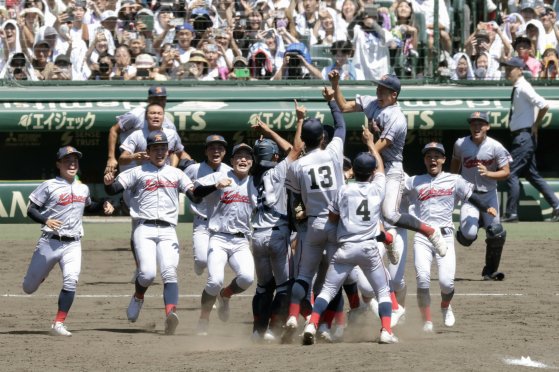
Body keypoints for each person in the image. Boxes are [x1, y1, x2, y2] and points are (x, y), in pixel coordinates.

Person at [330, 70, 450, 312]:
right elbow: (342, 106)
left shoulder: (397, 118)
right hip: (375, 168)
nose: (378, 91)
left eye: (383, 89)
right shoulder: (372, 103)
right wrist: (335, 82)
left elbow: (378, 148)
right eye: (378, 87)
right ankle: (387, 242)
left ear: (394, 95)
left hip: (392, 168)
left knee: (391, 214)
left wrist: (366, 142)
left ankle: (429, 231)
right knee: (369, 216)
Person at [303, 132, 399, 345]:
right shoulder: (377, 188)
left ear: (353, 171)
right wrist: (371, 145)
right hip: (368, 247)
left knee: (327, 290)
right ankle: (386, 331)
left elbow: (332, 216)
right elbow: (381, 169)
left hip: (345, 247)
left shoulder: (343, 190)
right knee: (382, 291)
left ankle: (312, 324)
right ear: (372, 172)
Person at [103, 131, 194, 335]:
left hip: (169, 229)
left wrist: (212, 187)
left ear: (169, 151)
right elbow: (114, 188)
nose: (160, 151)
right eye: (155, 148)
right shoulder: (138, 171)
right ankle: (138, 296)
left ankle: (170, 314)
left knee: (169, 271)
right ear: (148, 151)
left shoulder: (177, 173)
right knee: (147, 273)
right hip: (143, 227)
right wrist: (109, 183)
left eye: (163, 148)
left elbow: (194, 196)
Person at [404, 142, 497, 333]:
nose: (433, 159)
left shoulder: (454, 180)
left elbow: (471, 195)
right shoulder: (414, 181)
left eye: (437, 156)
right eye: (429, 156)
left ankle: (445, 305)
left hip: (445, 236)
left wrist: (486, 208)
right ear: (424, 160)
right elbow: (395, 192)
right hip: (423, 236)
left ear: (444, 160)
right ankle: (427, 321)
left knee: (447, 283)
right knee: (422, 279)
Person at [23, 146, 114, 336]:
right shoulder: (49, 185)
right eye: (67, 161)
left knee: (71, 281)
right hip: (50, 242)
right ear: (58, 164)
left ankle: (58, 323)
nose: (72, 164)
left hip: (73, 243)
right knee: (28, 288)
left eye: (75, 161)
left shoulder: (83, 187)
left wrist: (103, 203)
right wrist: (45, 220)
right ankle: (41, 273)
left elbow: (89, 207)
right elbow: (31, 209)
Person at [282, 86, 347, 342]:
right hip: (337, 224)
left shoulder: (296, 166)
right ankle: (321, 327)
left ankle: (292, 316)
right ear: (322, 138)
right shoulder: (332, 152)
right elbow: (341, 125)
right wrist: (331, 100)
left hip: (312, 225)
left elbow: (295, 199)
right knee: (334, 280)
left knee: (304, 277)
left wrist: (300, 222)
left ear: (303, 141)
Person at [249, 107, 304, 342]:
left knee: (262, 287)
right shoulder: (278, 171)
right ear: (273, 157)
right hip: (276, 233)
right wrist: (271, 130)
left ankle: (256, 331)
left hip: (256, 235)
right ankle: (272, 329)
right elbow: (296, 149)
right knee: (284, 286)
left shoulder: (249, 175)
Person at [192, 143, 258, 336]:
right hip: (218, 238)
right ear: (232, 161)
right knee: (214, 281)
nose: (243, 159)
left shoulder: (254, 182)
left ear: (252, 162)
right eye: (239, 156)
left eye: (247, 157)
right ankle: (203, 319)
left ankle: (225, 295)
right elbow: (196, 194)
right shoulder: (219, 177)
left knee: (246, 279)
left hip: (241, 240)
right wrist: (215, 186)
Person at [451, 112, 511, 281]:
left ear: (487, 127)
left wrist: (489, 173)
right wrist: (450, 187)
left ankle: (490, 271)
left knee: (496, 233)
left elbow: (506, 172)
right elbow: (454, 168)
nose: (477, 127)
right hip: (469, 195)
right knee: (468, 236)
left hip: (489, 195)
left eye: (480, 124)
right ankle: (468, 229)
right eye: (473, 124)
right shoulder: (460, 144)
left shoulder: (496, 146)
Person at [502, 56, 559, 222]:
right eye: (506, 68)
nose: (507, 71)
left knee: (511, 173)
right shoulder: (519, 87)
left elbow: (544, 104)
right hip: (523, 137)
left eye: (510, 68)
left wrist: (535, 125)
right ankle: (557, 206)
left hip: (523, 137)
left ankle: (511, 213)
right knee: (533, 176)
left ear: (520, 70)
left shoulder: (523, 86)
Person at [184, 134, 232, 277]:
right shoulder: (194, 169)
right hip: (201, 222)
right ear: (205, 151)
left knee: (216, 261)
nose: (216, 151)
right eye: (212, 148)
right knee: (202, 260)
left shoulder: (230, 171)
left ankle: (214, 286)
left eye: (219, 148)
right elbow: (181, 185)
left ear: (224, 152)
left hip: (221, 223)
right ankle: (199, 264)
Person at [104, 85, 177, 176]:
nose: (159, 102)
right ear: (149, 100)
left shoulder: (168, 124)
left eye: (162, 99)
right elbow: (114, 130)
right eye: (156, 99)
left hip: (154, 166)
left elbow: (175, 151)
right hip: (131, 162)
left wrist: (173, 170)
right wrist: (111, 157)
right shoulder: (136, 115)